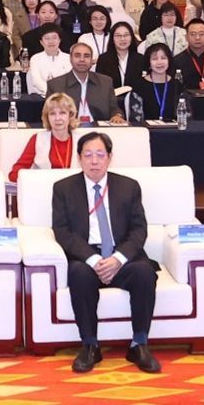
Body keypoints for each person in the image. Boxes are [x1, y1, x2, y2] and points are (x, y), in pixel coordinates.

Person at [49, 132, 162, 374]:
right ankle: (90, 345)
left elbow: (139, 230)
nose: (94, 161)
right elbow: (62, 232)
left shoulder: (129, 186)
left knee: (144, 273)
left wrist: (118, 259)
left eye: (100, 155)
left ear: (109, 158)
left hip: (121, 256)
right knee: (79, 274)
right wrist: (93, 259)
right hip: (87, 257)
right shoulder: (63, 189)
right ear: (79, 158)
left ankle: (139, 344)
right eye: (88, 155)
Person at [8, 94, 82, 181]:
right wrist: (37, 180)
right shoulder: (38, 139)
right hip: (44, 187)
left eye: (62, 113)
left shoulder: (81, 140)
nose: (57, 118)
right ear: (47, 117)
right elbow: (14, 174)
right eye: (52, 114)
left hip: (74, 188)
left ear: (70, 115)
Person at [46, 41, 121, 123]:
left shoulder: (105, 82)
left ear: (92, 60)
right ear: (70, 59)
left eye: (86, 56)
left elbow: (114, 109)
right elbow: (49, 113)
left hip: (98, 128)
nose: (82, 60)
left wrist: (117, 116)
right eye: (77, 56)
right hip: (68, 127)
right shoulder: (55, 85)